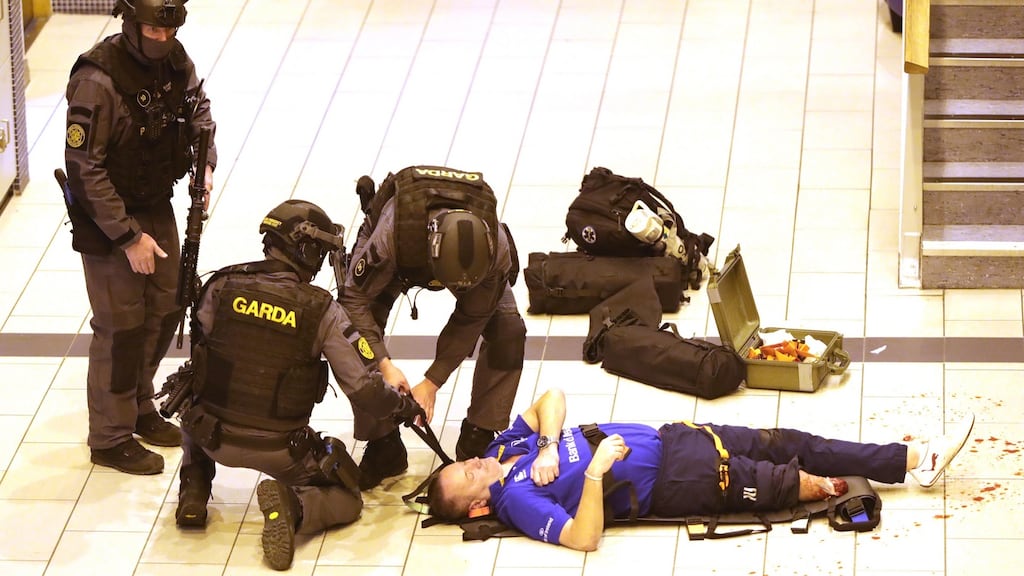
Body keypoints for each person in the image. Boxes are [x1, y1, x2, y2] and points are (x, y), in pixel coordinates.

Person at [174, 199, 424, 571]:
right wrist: (403, 407)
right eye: (320, 252)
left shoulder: (220, 285)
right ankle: (294, 506)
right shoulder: (322, 309)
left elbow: (200, 365)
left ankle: (194, 489)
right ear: (305, 249)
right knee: (347, 495)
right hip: (279, 449)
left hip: (213, 437)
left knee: (193, 396)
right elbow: (364, 390)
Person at [427, 388, 976, 551]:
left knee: (795, 441)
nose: (475, 461)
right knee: (794, 481)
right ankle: (901, 469)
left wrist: (547, 444)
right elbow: (583, 538)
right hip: (679, 482)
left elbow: (552, 396)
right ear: (478, 505)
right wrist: (593, 473)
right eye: (471, 475)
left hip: (678, 439)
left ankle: (910, 459)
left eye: (468, 462)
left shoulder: (505, 452)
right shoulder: (516, 501)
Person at [63, 0, 216, 475]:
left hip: (154, 202)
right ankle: (109, 436)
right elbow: (84, 168)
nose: (164, 38)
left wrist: (205, 163)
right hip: (107, 218)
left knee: (170, 301)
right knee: (122, 327)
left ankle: (139, 403)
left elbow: (199, 111)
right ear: (130, 23)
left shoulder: (173, 59)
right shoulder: (97, 80)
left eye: (171, 29)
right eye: (154, 28)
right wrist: (129, 238)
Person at [340, 165, 527, 490]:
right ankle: (383, 443)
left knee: (509, 330)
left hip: (474, 264)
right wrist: (384, 364)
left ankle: (479, 434)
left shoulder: (496, 251)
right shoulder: (390, 237)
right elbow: (352, 301)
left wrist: (432, 382)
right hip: (400, 256)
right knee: (349, 337)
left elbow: (472, 316)